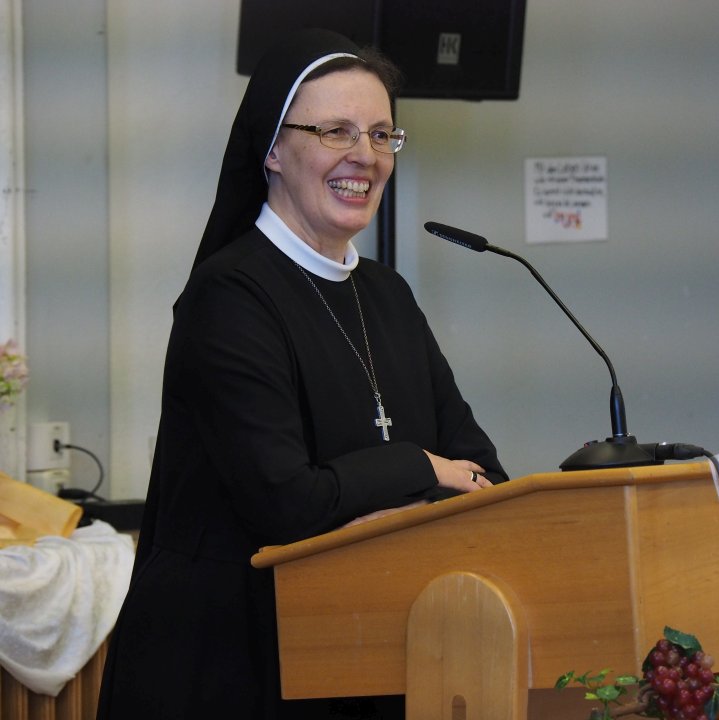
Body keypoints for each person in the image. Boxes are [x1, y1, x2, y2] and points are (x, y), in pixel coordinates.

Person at [96, 28, 507, 720]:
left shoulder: (388, 295)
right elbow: (285, 503)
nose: (365, 156)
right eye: (335, 131)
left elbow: (482, 473)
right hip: (229, 667)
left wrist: (396, 498)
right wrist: (420, 468)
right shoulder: (229, 298)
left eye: (381, 134)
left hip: (370, 652)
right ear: (272, 150)